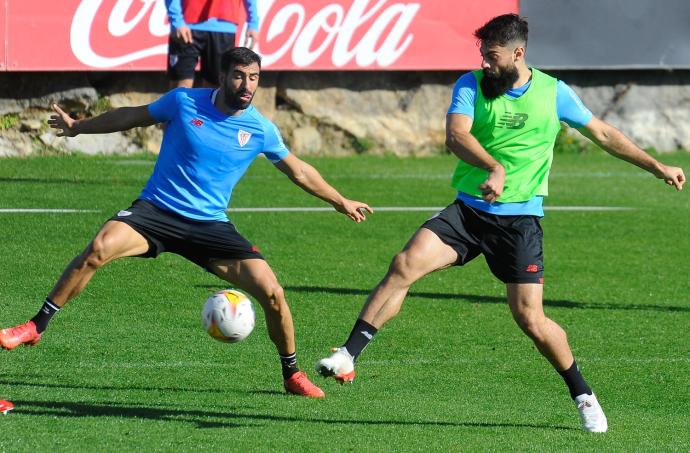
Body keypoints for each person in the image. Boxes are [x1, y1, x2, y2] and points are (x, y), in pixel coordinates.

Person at [316, 14, 685, 432]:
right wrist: (493, 166)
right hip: (469, 212)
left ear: (518, 53)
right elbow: (456, 136)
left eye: (492, 56)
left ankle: (583, 395)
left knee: (530, 318)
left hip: (519, 223)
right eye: (482, 55)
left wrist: (656, 165)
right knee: (405, 264)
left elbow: (602, 133)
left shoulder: (553, 92)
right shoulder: (470, 85)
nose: (486, 63)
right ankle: (348, 354)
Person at [0, 47, 373, 398]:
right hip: (156, 212)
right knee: (98, 249)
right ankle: (36, 327)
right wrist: (79, 126)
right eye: (240, 77)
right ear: (223, 76)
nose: (247, 86)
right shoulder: (184, 102)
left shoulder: (260, 129)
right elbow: (132, 115)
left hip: (209, 226)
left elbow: (300, 171)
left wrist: (340, 200)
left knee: (273, 294)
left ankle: (291, 373)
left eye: (255, 78)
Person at [166, 0, 260, 88]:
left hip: (224, 26)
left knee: (217, 88)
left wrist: (253, 22)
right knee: (180, 86)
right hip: (187, 24)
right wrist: (177, 21)